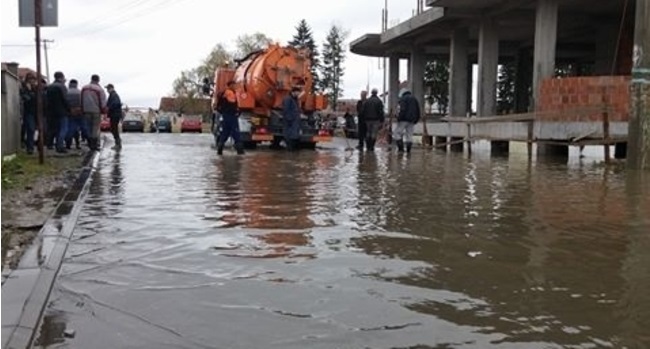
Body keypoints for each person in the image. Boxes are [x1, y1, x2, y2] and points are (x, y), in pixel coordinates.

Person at [216, 80, 244, 155]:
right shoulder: (230, 93)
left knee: (225, 133)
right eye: (234, 85)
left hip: (225, 116)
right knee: (236, 133)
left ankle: (219, 151)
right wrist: (237, 110)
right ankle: (240, 152)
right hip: (231, 116)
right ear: (230, 85)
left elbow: (219, 106)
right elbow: (232, 103)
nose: (235, 86)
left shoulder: (223, 93)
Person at [46, 71, 71, 153]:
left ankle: (50, 144)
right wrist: (69, 109)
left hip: (51, 112)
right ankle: (60, 146)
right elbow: (65, 99)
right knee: (63, 129)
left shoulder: (49, 87)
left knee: (54, 129)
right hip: (62, 112)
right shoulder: (62, 87)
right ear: (61, 78)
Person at [81, 74, 107, 151]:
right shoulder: (99, 89)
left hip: (86, 110)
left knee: (88, 127)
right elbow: (103, 101)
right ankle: (94, 144)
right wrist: (103, 110)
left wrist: (82, 109)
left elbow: (81, 99)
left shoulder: (84, 88)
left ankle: (89, 143)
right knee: (95, 128)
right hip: (96, 110)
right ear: (98, 80)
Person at [394, 88, 421, 154]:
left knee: (397, 133)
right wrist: (416, 119)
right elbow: (418, 110)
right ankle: (408, 151)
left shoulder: (403, 99)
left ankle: (401, 149)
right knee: (409, 135)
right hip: (412, 120)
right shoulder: (414, 99)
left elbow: (402, 109)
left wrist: (399, 118)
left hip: (403, 119)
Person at [65, 79, 87, 149]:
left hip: (70, 113)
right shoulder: (80, 92)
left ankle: (68, 144)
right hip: (79, 112)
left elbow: (65, 102)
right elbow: (83, 102)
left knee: (70, 129)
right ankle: (78, 143)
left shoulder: (66, 92)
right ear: (76, 84)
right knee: (80, 128)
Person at [20, 74, 38, 154]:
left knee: (39, 129)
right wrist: (30, 90)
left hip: (37, 112)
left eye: (33, 79)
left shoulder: (37, 88)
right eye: (31, 80)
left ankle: (38, 146)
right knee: (30, 129)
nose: (32, 81)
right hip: (29, 112)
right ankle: (30, 148)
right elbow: (28, 99)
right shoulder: (24, 89)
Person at [282, 86, 302, 151]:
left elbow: (296, 110)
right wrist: (290, 119)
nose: (299, 94)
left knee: (294, 137)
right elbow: (286, 110)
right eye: (298, 92)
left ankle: (292, 154)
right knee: (290, 138)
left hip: (294, 122)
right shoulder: (288, 99)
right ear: (294, 92)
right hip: (290, 122)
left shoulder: (294, 99)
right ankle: (289, 152)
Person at [105, 84, 123, 150]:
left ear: (111, 88)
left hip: (115, 114)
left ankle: (118, 143)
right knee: (113, 129)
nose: (107, 90)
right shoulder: (112, 95)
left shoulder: (114, 95)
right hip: (114, 114)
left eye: (108, 89)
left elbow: (116, 103)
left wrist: (109, 108)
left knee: (114, 129)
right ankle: (118, 142)